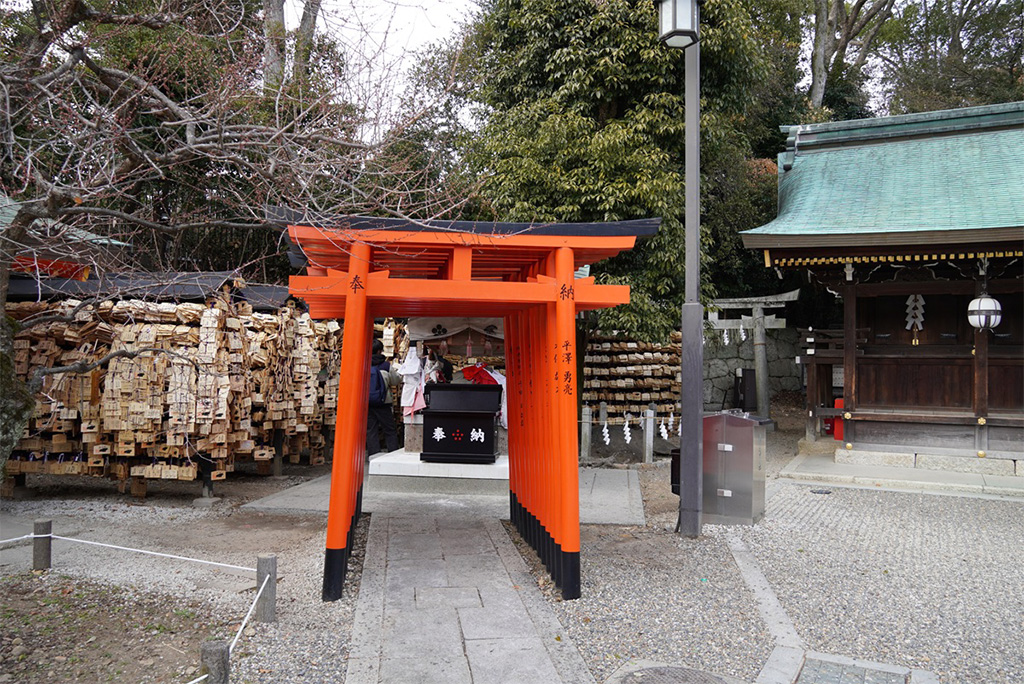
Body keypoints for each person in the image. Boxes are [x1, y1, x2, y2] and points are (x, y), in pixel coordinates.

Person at [367, 339, 400, 456]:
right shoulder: (386, 366)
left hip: (367, 402)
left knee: (371, 429)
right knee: (389, 429)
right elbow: (395, 381)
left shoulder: (363, 363)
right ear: (380, 351)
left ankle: (373, 454)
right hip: (383, 401)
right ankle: (393, 453)